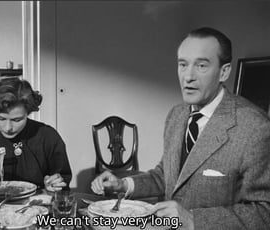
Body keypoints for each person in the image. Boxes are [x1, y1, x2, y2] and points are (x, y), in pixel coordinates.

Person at [91, 27, 270, 229]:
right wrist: (124, 185)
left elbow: (264, 212)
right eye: (183, 64)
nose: (188, 76)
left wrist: (194, 220)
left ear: (224, 72)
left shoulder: (255, 127)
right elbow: (166, 177)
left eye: (201, 65)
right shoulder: (176, 115)